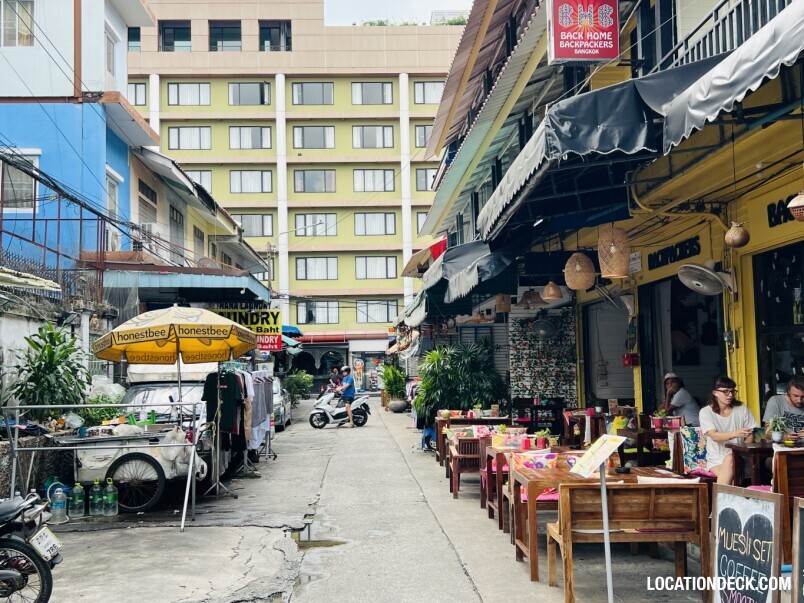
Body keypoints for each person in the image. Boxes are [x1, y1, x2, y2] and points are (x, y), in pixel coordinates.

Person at [698, 376, 757, 484]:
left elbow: (749, 435)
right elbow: (715, 436)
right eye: (725, 391)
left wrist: (744, 449)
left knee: (732, 463)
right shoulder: (706, 412)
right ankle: (724, 499)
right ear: (715, 393)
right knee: (731, 467)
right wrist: (736, 433)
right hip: (717, 458)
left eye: (732, 391)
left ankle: (720, 500)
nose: (730, 395)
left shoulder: (741, 408)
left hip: (739, 455)